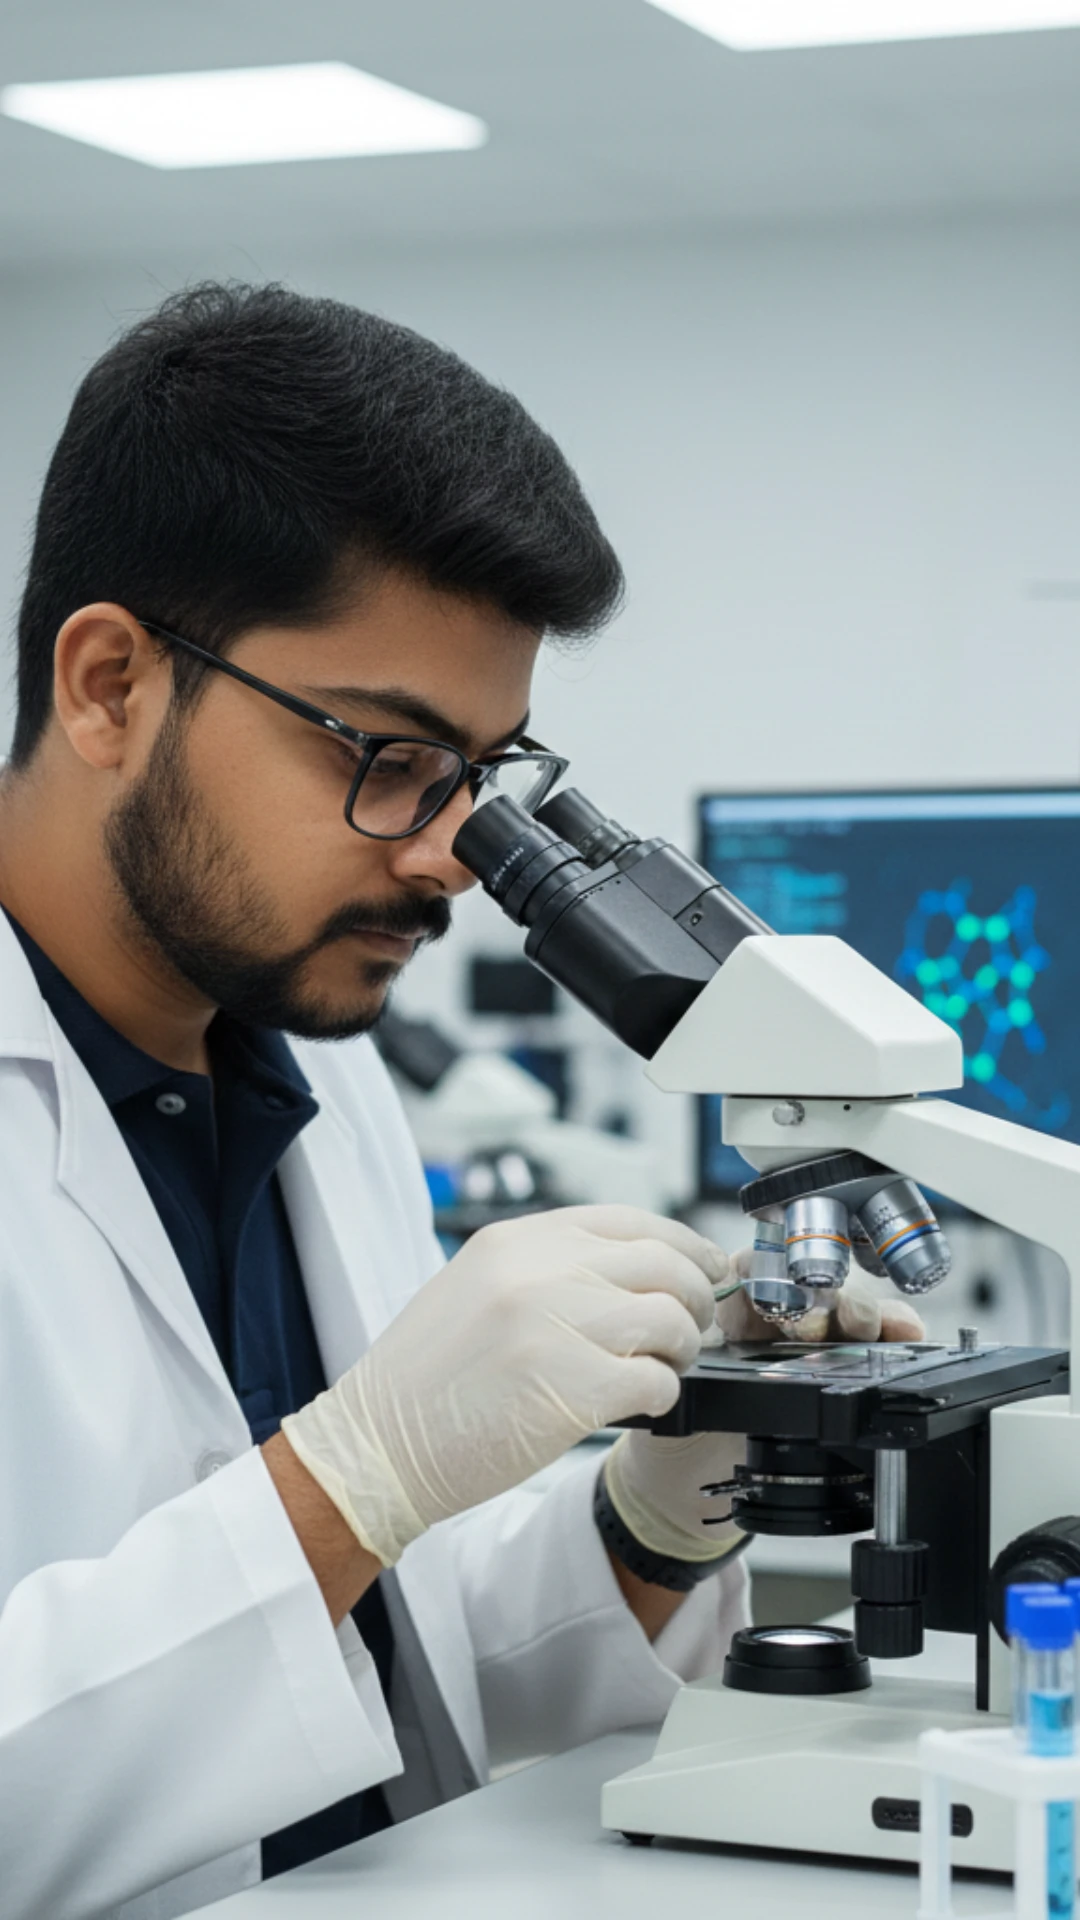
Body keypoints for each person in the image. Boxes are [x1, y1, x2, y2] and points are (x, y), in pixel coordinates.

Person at [0, 284, 922, 1920]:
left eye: (478, 779)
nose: (443, 855)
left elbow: (381, 1657)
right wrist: (344, 1477)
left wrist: (654, 1514)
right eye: (385, 753)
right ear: (110, 685)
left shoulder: (319, 1079)